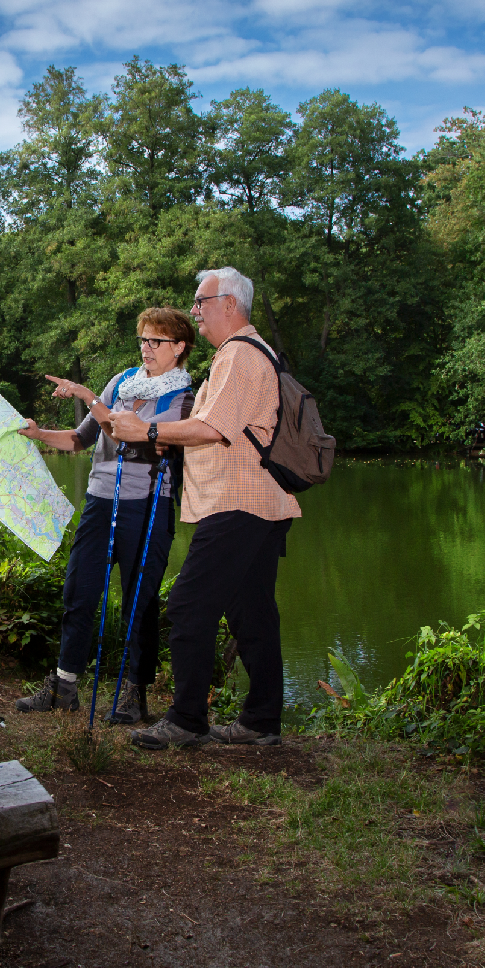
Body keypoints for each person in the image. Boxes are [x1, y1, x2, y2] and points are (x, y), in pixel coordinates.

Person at [108, 267, 299, 749]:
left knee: (189, 605)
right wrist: (167, 439)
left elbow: (212, 428)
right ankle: (261, 721)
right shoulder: (249, 353)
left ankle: (187, 720)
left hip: (237, 504)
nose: (195, 311)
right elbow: (216, 427)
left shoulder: (239, 355)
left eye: (201, 302)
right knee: (252, 611)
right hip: (259, 503)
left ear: (230, 304)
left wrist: (149, 432)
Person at [15, 306, 197, 724]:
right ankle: (64, 687)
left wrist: (86, 396)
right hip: (100, 502)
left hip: (147, 505)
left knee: (140, 601)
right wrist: (39, 434)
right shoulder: (121, 382)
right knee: (79, 591)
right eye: (143, 340)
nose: (146, 348)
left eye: (156, 341)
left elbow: (128, 436)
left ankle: (135, 693)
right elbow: (83, 440)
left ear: (179, 347)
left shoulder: (184, 398)